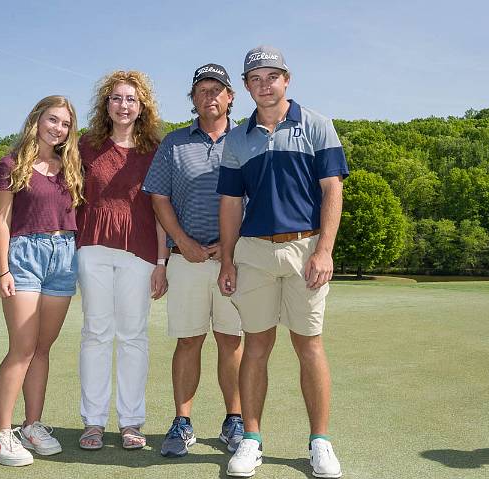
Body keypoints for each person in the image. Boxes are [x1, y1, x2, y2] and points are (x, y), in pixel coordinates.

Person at [217, 46, 349, 478]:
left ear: (286, 79)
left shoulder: (316, 125)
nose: (264, 85)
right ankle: (251, 439)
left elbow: (332, 190)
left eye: (271, 76)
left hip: (305, 248)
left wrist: (325, 250)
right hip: (253, 251)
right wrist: (228, 260)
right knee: (256, 345)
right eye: (255, 79)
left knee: (308, 344)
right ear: (246, 86)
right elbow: (231, 204)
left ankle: (320, 442)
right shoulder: (237, 138)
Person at [142, 63, 244, 458]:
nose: (210, 96)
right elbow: (159, 197)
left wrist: (231, 246)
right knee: (188, 340)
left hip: (234, 260)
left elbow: (258, 196)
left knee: (231, 340)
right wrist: (182, 242)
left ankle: (233, 419)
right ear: (193, 99)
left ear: (230, 96)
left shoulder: (248, 139)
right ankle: (182, 422)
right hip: (187, 258)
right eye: (201, 90)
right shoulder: (174, 143)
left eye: (217, 89)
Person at [0, 95, 84, 467]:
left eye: (65, 124)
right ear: (36, 120)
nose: (58, 128)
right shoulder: (11, 164)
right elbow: (2, 222)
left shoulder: (69, 168)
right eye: (52, 120)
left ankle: (31, 425)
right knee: (22, 347)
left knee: (43, 347)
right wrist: (3, 271)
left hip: (64, 256)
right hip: (24, 255)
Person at [76, 70, 168, 451]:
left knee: (133, 337)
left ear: (142, 105)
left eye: (131, 99)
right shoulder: (85, 145)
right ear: (106, 104)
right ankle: (93, 422)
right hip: (93, 247)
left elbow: (163, 208)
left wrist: (162, 262)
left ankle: (131, 422)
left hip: (141, 251)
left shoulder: (156, 150)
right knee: (96, 334)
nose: (123, 105)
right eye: (116, 98)